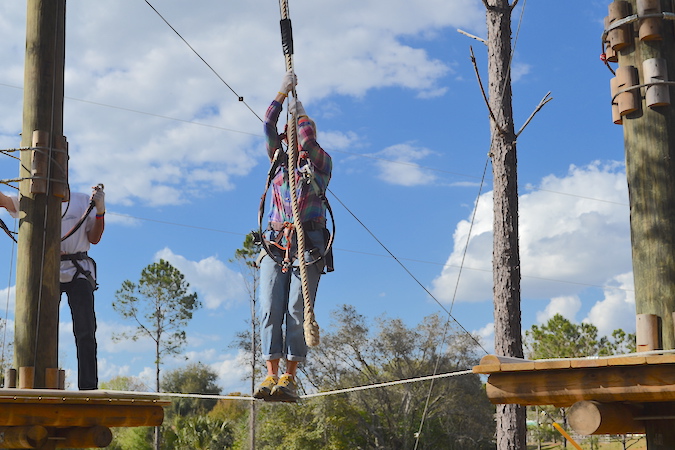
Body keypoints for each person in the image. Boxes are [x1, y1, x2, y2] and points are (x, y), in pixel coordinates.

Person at [253, 71, 332, 402]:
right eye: (291, 136)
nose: (294, 141)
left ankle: (290, 375)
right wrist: (282, 95)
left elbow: (311, 145)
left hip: (309, 247)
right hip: (275, 246)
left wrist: (301, 115)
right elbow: (268, 125)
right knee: (270, 309)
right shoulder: (278, 165)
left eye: (298, 135)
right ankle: (270, 374)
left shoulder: (320, 165)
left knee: (299, 311)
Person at [0, 186, 105, 390]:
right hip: (47, 270)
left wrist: (100, 211)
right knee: (39, 328)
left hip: (78, 269)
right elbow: (4, 201)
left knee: (85, 331)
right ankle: (37, 383)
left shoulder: (82, 200)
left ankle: (88, 387)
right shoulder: (35, 200)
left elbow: (94, 238)